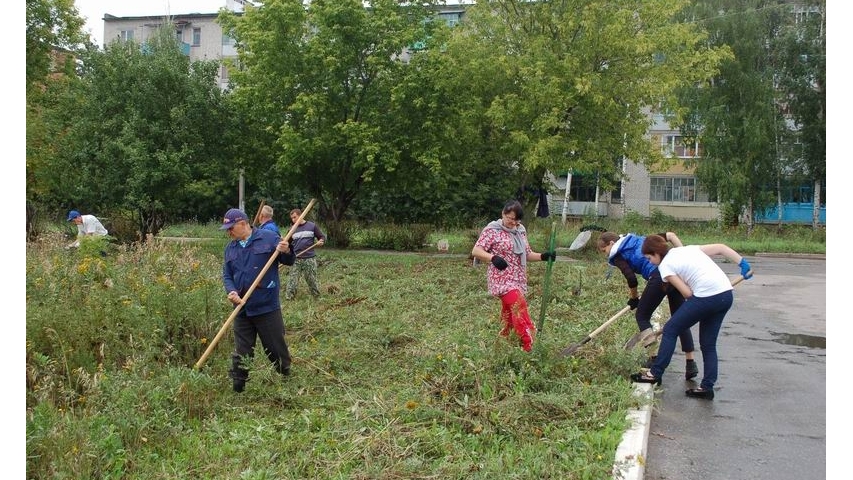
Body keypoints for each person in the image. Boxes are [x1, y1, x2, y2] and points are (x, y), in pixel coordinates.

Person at [630, 234, 753, 400]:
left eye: (649, 257)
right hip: (725, 295)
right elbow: (721, 248)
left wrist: (694, 301)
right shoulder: (685, 249)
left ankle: (654, 374)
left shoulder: (665, 267)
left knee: (671, 329)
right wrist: (742, 263)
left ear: (656, 253)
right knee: (708, 344)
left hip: (707, 296)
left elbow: (687, 293)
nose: (650, 261)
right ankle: (706, 387)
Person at [597, 231, 698, 379]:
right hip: (675, 273)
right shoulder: (637, 238)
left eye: (604, 250)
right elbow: (670, 235)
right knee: (679, 318)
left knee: (641, 316)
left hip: (659, 277)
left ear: (611, 244)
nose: (606, 254)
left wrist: (634, 298)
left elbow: (631, 279)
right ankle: (691, 363)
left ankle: (654, 356)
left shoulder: (617, 254)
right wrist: (682, 256)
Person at [220, 208, 296, 393]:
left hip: (266, 306)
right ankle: (238, 387)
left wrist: (286, 250)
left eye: (231, 228)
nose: (229, 232)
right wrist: (231, 292)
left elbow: (289, 260)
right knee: (242, 350)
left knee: (275, 347)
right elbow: (227, 275)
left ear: (243, 224)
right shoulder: (231, 248)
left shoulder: (269, 238)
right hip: (241, 308)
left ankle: (285, 375)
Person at [471, 200, 556, 352]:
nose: (512, 222)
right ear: (503, 214)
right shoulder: (492, 230)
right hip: (501, 278)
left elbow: (527, 254)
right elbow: (476, 251)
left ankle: (504, 338)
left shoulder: (520, 231)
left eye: (516, 220)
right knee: (519, 306)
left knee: (509, 310)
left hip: (517, 277)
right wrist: (493, 258)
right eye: (510, 218)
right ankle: (528, 344)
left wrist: (543, 256)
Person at [285, 208, 326, 301]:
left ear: (301, 215)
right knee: (293, 279)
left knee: (311, 280)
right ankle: (289, 298)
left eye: (295, 217)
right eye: (292, 218)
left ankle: (317, 297)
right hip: (296, 258)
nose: (293, 220)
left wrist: (321, 241)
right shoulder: (292, 229)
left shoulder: (312, 226)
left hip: (309, 258)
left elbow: (322, 237)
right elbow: (287, 243)